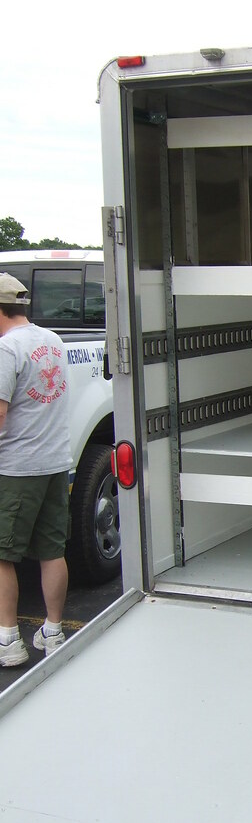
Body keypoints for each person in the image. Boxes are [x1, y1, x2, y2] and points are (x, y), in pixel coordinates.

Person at [0, 273, 72, 666]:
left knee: (2, 554)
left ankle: (8, 639)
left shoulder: (7, 349)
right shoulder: (53, 340)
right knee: (51, 550)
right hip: (55, 462)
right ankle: (53, 630)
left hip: (16, 467)